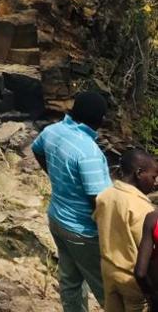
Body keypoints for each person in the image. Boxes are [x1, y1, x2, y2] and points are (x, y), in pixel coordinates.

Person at [31, 91, 112, 312]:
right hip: (83, 231)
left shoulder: (52, 131)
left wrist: (55, 176)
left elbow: (36, 149)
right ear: (101, 119)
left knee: (71, 281)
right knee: (108, 289)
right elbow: (100, 201)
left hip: (57, 219)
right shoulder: (89, 152)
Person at [94, 149, 157, 312]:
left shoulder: (104, 195)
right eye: (153, 177)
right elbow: (147, 254)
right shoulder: (141, 208)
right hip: (131, 278)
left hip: (108, 270)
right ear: (139, 173)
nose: (155, 182)